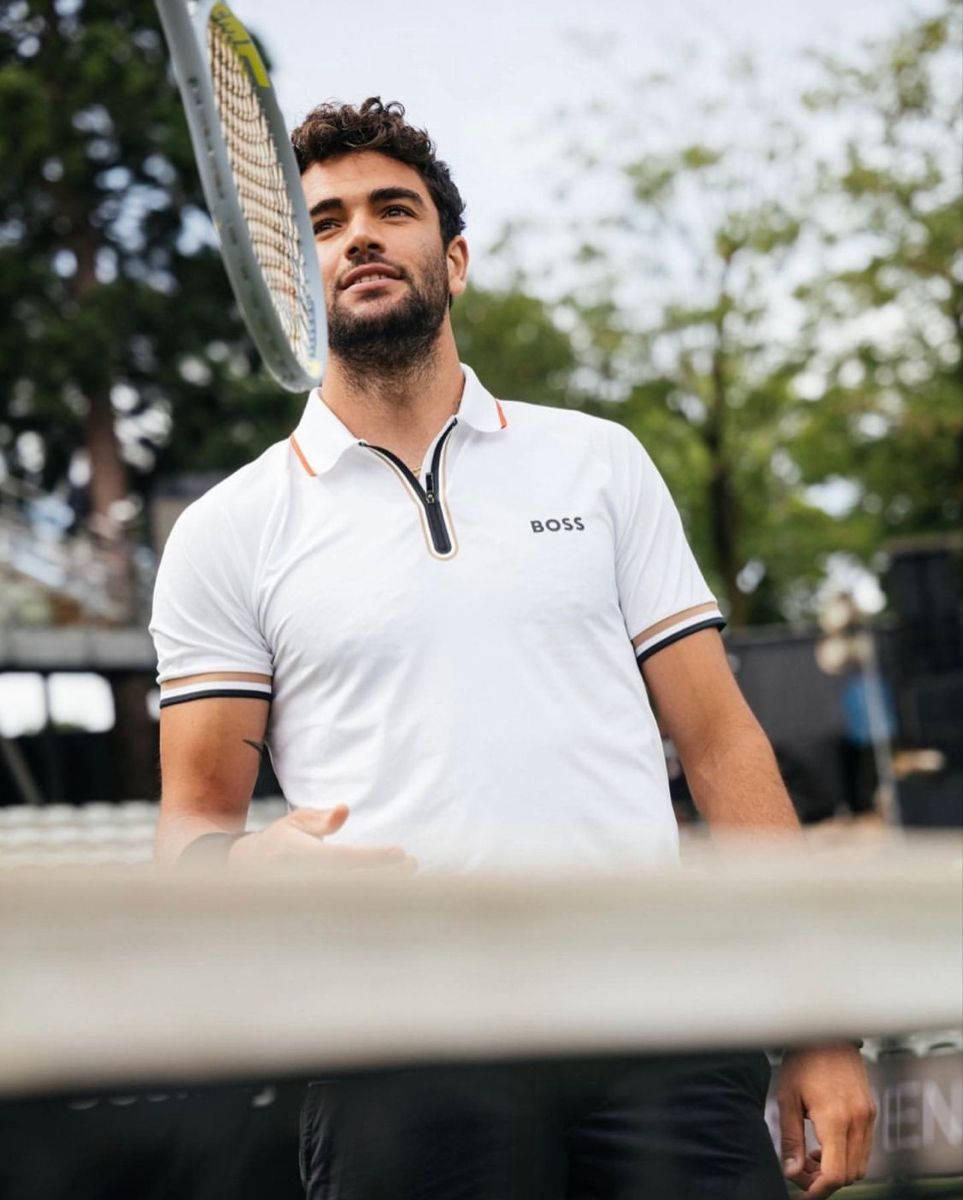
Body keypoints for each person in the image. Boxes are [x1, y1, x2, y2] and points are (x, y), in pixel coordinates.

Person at [150, 98, 876, 1200]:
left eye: (393, 210)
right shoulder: (227, 532)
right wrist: (248, 867)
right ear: (288, 277)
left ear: (454, 259)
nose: (360, 236)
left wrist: (821, 1017)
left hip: (661, 1024)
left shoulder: (600, 462)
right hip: (400, 1049)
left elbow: (722, 744)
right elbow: (192, 826)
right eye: (324, 223)